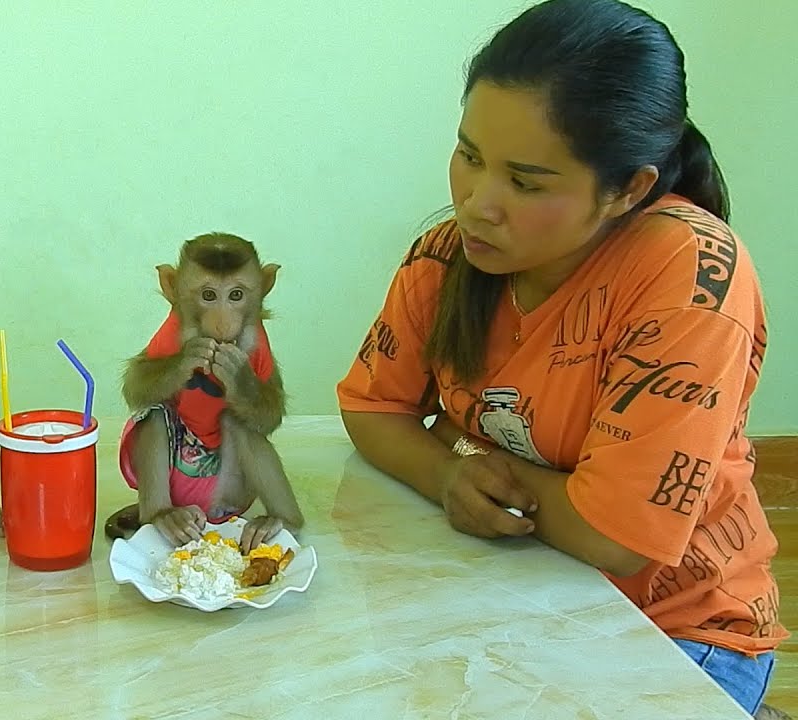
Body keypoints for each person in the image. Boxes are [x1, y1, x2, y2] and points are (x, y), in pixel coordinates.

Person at [335, 0, 786, 714]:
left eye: (526, 181)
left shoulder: (687, 272)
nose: (477, 203)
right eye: (470, 155)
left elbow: (615, 539)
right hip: (508, 590)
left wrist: (476, 468)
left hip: (675, 631)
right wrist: (451, 474)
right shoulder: (449, 256)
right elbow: (371, 405)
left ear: (627, 189)